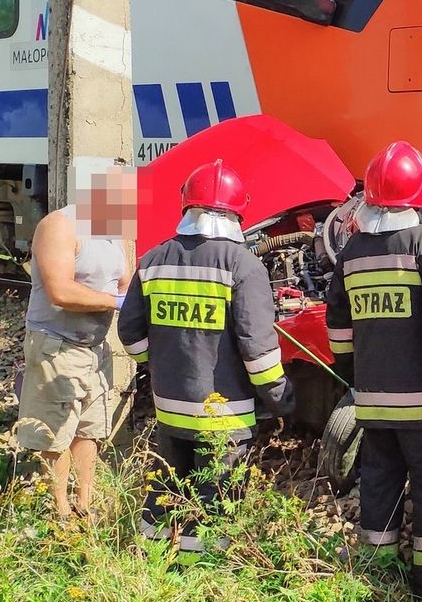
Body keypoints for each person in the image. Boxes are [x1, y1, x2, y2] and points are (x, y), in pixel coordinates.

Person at [119, 159, 293, 557]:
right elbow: (258, 349)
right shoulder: (243, 265)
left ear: (186, 207)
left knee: (166, 491)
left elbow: (129, 334)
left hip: (169, 408)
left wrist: (161, 362)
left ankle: (150, 566)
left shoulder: (152, 260)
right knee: (214, 502)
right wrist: (281, 398)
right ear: (236, 211)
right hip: (224, 416)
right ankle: (201, 574)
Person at [325, 141, 422, 602]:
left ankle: (377, 583)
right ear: (421, 193)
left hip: (371, 401)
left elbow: (338, 331)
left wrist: (356, 377)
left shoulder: (352, 251)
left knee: (380, 483)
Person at [14, 163, 133, 524]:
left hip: (94, 349)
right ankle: (59, 510)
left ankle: (85, 504)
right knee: (55, 433)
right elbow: (60, 292)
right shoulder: (59, 227)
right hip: (56, 346)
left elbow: (125, 282)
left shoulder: (115, 234)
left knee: (89, 429)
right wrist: (114, 302)